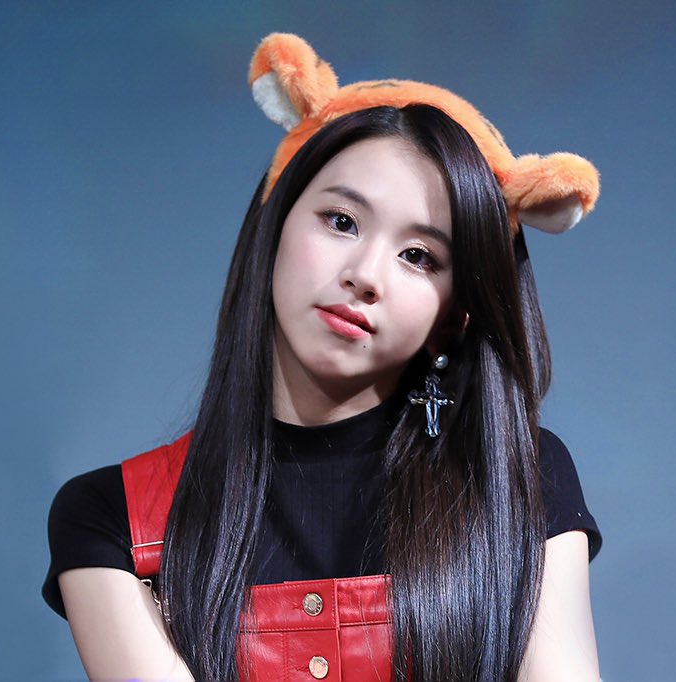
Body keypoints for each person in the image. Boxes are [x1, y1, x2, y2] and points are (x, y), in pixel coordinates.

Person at [43, 33, 604, 682]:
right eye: (341, 221)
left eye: (418, 256)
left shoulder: (521, 480)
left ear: (455, 316)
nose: (366, 274)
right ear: (275, 226)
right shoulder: (114, 520)